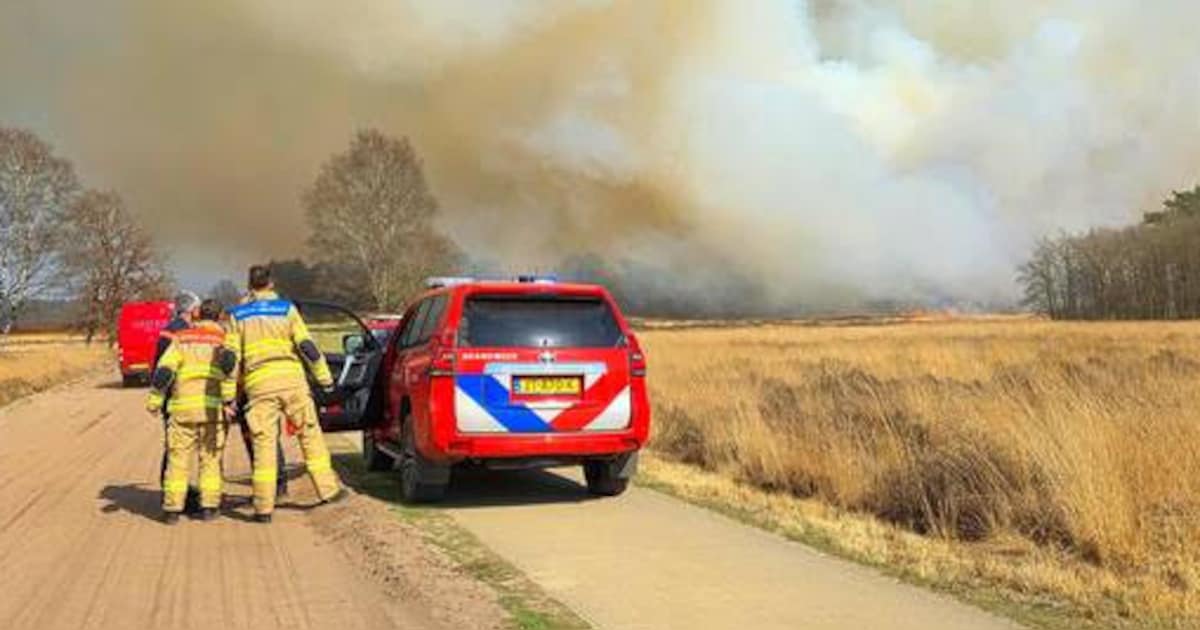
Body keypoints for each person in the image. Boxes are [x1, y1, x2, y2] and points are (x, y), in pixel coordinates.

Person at [226, 265, 347, 523]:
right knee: (310, 436)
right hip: (292, 382)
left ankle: (263, 508)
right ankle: (328, 492)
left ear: (249, 285)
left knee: (264, 446)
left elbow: (230, 359)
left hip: (258, 386)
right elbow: (307, 347)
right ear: (271, 283)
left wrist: (229, 396)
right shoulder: (286, 309)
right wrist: (325, 380)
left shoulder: (238, 315)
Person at [146, 299, 237, 524]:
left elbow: (164, 371)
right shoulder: (224, 340)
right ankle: (209, 508)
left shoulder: (181, 339)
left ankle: (172, 511)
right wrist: (228, 402)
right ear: (220, 316)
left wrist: (154, 402)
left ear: (197, 316)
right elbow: (228, 372)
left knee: (177, 460)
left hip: (181, 410)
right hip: (211, 411)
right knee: (210, 459)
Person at [155, 290, 201, 511]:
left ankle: (172, 491)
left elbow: (159, 369)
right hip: (182, 398)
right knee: (179, 449)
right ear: (192, 310)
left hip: (171, 399)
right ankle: (174, 495)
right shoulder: (185, 333)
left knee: (174, 447)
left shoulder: (167, 331)